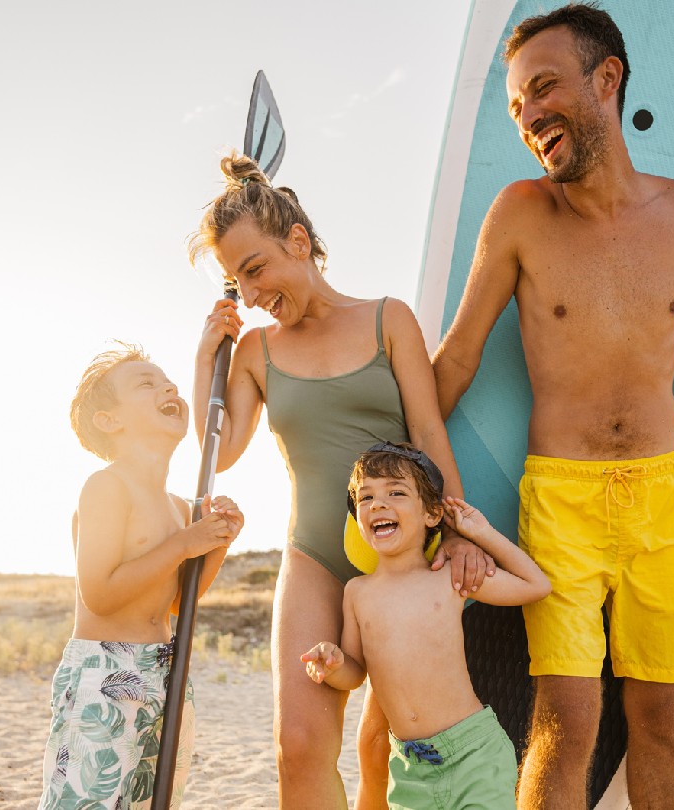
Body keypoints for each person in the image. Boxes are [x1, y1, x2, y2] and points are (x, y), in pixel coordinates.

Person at [430, 4, 674, 809]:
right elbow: (458, 356)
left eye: (543, 89)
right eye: (517, 107)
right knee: (567, 718)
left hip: (663, 500)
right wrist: (401, 469)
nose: (530, 116)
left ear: (606, 79)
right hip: (561, 500)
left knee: (659, 719)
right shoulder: (519, 212)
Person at [190, 154, 492, 809]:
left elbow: (429, 435)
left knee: (383, 748)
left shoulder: (389, 320)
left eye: (254, 268)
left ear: (298, 242)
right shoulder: (256, 352)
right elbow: (221, 451)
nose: (248, 291)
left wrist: (463, 533)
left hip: (404, 562)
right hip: (313, 556)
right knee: (298, 745)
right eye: (234, 281)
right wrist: (205, 358)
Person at [39, 344, 245, 810]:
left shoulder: (178, 508)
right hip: (107, 671)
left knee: (151, 801)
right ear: (110, 421)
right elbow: (100, 595)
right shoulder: (106, 486)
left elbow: (176, 604)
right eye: (146, 384)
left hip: (166, 668)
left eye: (167, 381)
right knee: (89, 798)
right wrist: (184, 545)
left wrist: (216, 544)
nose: (168, 387)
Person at [301, 442, 550, 810]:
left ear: (432, 514)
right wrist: (334, 664)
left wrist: (480, 533)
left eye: (395, 492)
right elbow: (355, 674)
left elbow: (536, 586)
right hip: (410, 768)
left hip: (473, 754)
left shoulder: (449, 577)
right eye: (366, 497)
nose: (378, 504)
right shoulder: (358, 593)